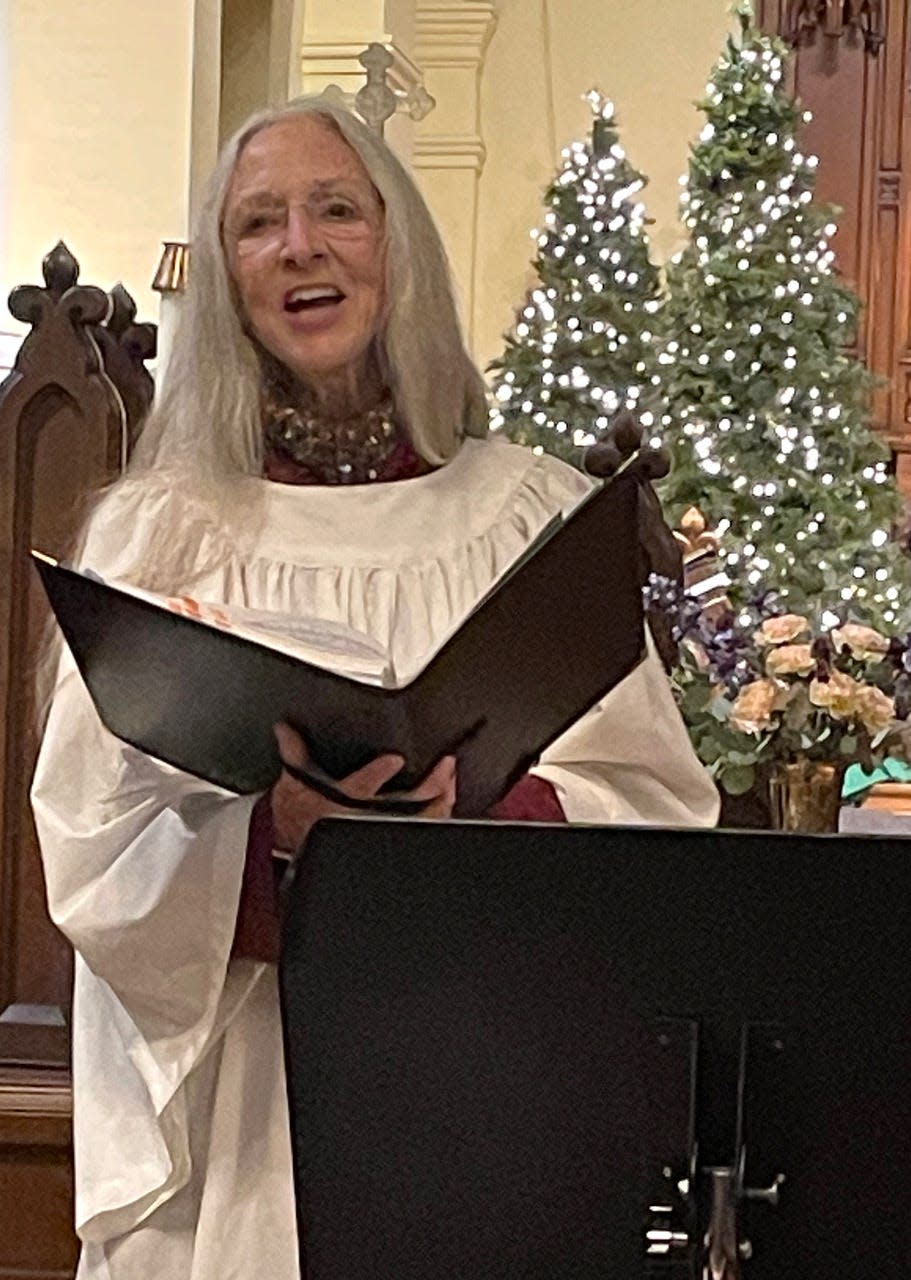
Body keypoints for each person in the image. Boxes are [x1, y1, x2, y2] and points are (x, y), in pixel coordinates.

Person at [31, 97, 719, 1279]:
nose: (301, 245)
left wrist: (476, 823)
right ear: (229, 272)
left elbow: (654, 805)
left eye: (336, 209)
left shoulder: (528, 519)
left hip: (491, 1063)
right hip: (251, 1087)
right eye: (257, 223)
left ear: (397, 248)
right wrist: (274, 840)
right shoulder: (160, 539)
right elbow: (92, 851)